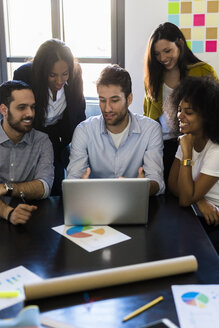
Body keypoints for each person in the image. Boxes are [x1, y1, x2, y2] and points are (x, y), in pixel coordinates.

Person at [67, 64, 165, 196]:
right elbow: (72, 181)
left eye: (114, 100)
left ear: (129, 99)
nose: (107, 108)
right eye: (102, 100)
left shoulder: (151, 130)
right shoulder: (84, 130)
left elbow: (157, 181)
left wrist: (142, 188)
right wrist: (78, 186)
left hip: (135, 201)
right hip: (95, 204)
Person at [143, 22, 217, 186]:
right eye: (157, 54)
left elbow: (214, 111)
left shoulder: (203, 71)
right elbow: (148, 117)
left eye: (167, 51)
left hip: (196, 145)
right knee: (167, 195)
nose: (162, 58)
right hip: (163, 146)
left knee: (190, 192)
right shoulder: (154, 78)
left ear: (180, 43)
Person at [13, 39, 86, 195]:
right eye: (52, 75)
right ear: (42, 70)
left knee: (56, 187)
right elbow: (17, 116)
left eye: (64, 74)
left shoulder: (75, 74)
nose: (59, 81)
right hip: (31, 134)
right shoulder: (25, 75)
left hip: (59, 136)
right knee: (35, 188)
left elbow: (79, 112)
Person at [168, 76, 219, 252]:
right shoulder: (187, 139)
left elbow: (184, 199)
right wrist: (200, 200)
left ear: (206, 116)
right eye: (179, 109)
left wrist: (187, 153)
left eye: (188, 112)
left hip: (214, 221)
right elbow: (173, 184)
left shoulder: (216, 151)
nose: (180, 116)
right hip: (195, 213)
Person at [0, 80, 54, 225]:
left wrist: (7, 188)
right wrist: (7, 212)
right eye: (22, 107)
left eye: (32, 107)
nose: (30, 113)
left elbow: (44, 187)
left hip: (31, 217)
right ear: (4, 110)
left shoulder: (42, 141)